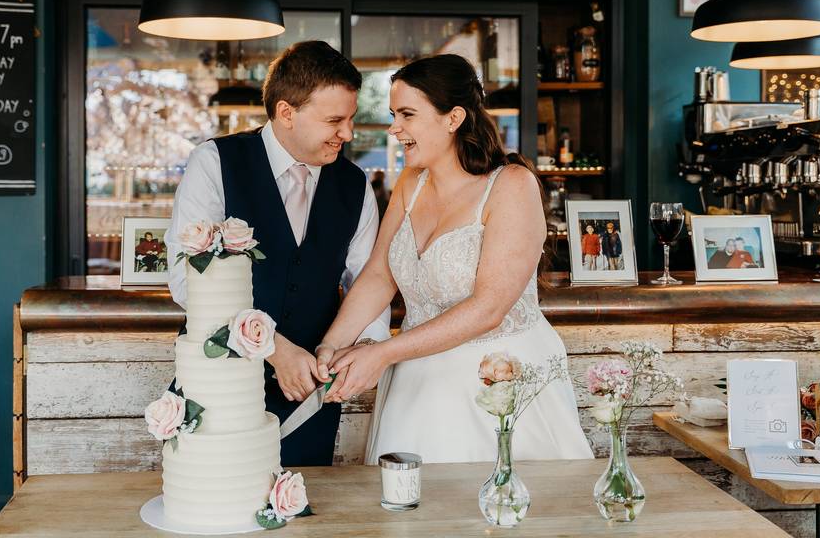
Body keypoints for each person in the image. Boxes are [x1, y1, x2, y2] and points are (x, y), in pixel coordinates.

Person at [313, 54, 593, 463]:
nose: (395, 128)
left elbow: (489, 308)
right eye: (393, 114)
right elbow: (378, 276)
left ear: (453, 117)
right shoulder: (411, 182)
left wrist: (383, 352)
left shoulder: (512, 185)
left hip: (496, 379)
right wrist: (331, 345)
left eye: (407, 114)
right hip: (417, 381)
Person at [165, 40, 390, 467]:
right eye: (334, 120)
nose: (348, 133)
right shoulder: (215, 163)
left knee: (302, 521)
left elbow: (367, 283)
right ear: (287, 113)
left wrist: (364, 348)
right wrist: (273, 349)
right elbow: (185, 280)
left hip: (310, 394)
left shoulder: (355, 185)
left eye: (351, 118)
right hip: (219, 382)